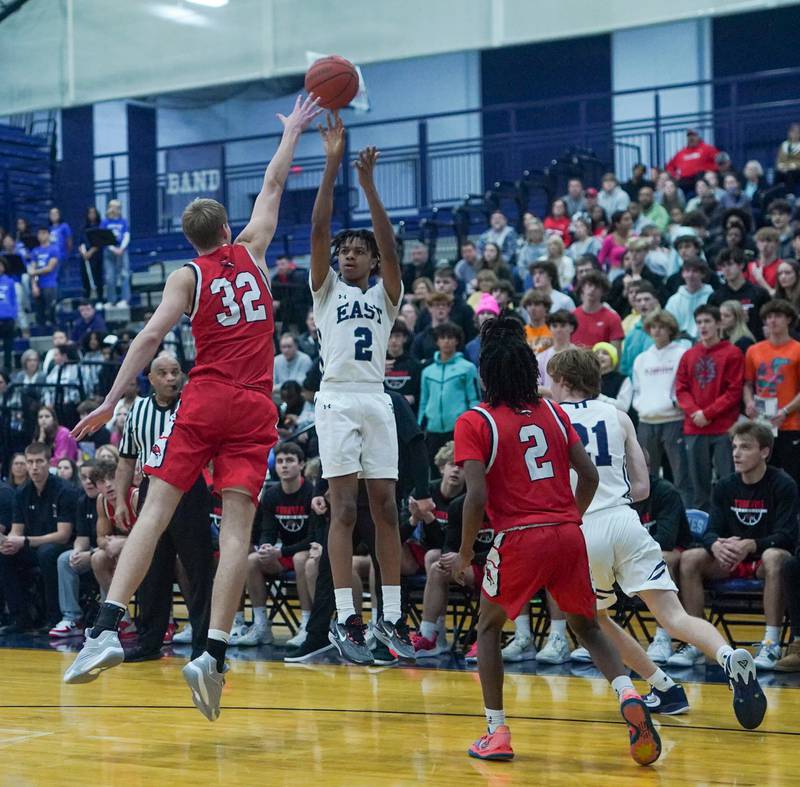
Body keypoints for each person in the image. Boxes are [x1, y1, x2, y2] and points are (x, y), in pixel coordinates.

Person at [62, 94, 322, 719]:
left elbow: (150, 339)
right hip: (256, 408)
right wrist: (291, 132)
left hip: (205, 399)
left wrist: (111, 400)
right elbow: (275, 180)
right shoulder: (255, 250)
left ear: (191, 238)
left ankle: (103, 630)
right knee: (234, 534)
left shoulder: (188, 276)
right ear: (227, 230)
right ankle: (214, 653)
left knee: (154, 512)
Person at [453, 317, 661, 766]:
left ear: (486, 373)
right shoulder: (552, 412)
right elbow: (587, 476)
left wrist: (466, 551)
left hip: (519, 537)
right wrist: (569, 518)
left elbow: (476, 497)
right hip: (569, 532)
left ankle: (497, 731)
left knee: (488, 629)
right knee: (586, 626)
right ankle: (628, 693)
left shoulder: (476, 420)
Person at [549, 349, 766, 729]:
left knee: (593, 622)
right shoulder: (619, 416)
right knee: (673, 615)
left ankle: (659, 684)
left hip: (582, 527)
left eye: (552, 379)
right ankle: (726, 658)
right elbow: (645, 484)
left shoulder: (552, 419)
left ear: (564, 381)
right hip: (625, 520)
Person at [309, 112, 415, 664]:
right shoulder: (325, 292)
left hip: (375, 398)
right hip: (336, 397)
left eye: (358, 250)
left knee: (387, 511)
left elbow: (392, 249)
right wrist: (332, 166)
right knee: (344, 511)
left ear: (372, 261)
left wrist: (370, 187)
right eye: (343, 250)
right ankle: (346, 616)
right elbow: (319, 230)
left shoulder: (383, 296)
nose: (347, 253)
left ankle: (391, 617)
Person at [116, 352, 213, 663]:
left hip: (190, 490)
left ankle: (203, 644)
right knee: (152, 569)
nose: (172, 378)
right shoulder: (138, 410)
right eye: (165, 373)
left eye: (176, 372)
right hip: (150, 488)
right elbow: (126, 460)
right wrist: (120, 498)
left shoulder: (194, 405)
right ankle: (149, 642)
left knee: (197, 569)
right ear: (151, 379)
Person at [677, 421, 797, 672]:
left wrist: (752, 545)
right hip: (730, 558)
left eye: (745, 447)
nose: (736, 453)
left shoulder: (783, 484)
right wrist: (715, 545)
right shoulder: (725, 485)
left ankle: (771, 643)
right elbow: (710, 531)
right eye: (734, 447)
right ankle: (697, 643)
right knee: (690, 558)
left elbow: (787, 535)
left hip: (763, 559)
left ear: (764, 452)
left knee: (776, 557)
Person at [236, 442, 316, 648]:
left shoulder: (311, 493)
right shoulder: (271, 495)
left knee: (300, 559)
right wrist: (265, 547)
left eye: (290, 461)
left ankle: (307, 624)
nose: (284, 466)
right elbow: (267, 531)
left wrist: (281, 551)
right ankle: (261, 625)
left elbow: (314, 536)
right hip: (284, 554)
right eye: (280, 461)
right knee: (252, 560)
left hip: (307, 552)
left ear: (301, 465)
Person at [0, 442, 77, 634]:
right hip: (33, 545)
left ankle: (53, 618)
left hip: (64, 546)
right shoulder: (22, 492)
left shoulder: (64, 490)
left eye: (39, 461)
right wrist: (9, 542)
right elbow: (16, 531)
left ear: (49, 463)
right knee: (4, 555)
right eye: (30, 462)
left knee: (47, 553)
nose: (34, 467)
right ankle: (20, 617)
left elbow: (63, 535)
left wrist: (24, 541)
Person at [675, 305, 743, 511]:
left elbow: (734, 391)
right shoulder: (689, 355)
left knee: (729, 480)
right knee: (698, 486)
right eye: (699, 322)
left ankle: (730, 522)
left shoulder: (732, 353)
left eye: (708, 321)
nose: (703, 326)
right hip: (694, 426)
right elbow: (681, 389)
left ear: (719, 324)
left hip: (723, 427)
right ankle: (702, 530)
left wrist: (707, 413)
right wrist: (695, 412)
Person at [632, 311, 692, 507]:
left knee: (681, 473)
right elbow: (637, 388)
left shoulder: (681, 353)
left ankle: (686, 513)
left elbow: (685, 385)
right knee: (647, 474)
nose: (656, 331)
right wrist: (641, 406)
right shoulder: (641, 359)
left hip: (674, 420)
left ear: (670, 329)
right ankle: (650, 513)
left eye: (661, 327)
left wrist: (674, 402)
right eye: (653, 327)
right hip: (647, 421)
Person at [743, 299, 800, 486]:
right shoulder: (754, 350)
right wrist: (749, 402)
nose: (772, 321)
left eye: (777, 316)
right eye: (768, 317)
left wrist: (785, 412)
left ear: (789, 319)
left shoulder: (797, 349)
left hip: (790, 423)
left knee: (793, 476)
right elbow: (748, 384)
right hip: (763, 423)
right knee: (763, 476)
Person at [49, 461, 100, 638]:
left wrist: (91, 554)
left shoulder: (109, 499)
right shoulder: (82, 501)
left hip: (108, 551)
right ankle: (72, 618)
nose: (88, 482)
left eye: (92, 477)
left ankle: (110, 620)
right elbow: (82, 537)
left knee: (100, 559)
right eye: (84, 477)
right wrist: (78, 551)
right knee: (65, 558)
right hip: (91, 550)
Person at [418, 322, 481, 460]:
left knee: (458, 469)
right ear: (437, 341)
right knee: (433, 474)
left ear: (457, 341)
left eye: (450, 337)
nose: (446, 341)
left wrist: (472, 426)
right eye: (442, 337)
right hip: (432, 430)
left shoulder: (468, 368)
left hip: (457, 429)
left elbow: (474, 399)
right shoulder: (427, 371)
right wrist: (420, 427)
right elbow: (423, 402)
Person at [709, 249, 770, 341]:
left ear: (741, 265)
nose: (726, 269)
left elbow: (768, 320)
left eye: (730, 264)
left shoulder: (759, 293)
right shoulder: (716, 297)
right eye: (723, 266)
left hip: (755, 343)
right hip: (725, 345)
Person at [571, 271, 624, 350]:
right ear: (582, 288)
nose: (592, 289)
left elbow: (615, 355)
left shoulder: (613, 318)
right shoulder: (571, 316)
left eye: (597, 286)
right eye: (589, 285)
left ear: (603, 291)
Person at [664, 259, 713, 340]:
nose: (690, 275)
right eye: (687, 271)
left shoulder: (711, 297)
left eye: (695, 271)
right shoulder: (674, 300)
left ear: (703, 274)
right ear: (683, 274)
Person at [100, 200, 131, 308]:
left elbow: (127, 235)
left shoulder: (123, 221)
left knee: (124, 275)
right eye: (112, 207)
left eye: (117, 207)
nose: (114, 209)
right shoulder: (105, 222)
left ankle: (125, 299)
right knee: (110, 277)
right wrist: (113, 248)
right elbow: (103, 237)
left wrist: (121, 248)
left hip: (122, 251)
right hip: (109, 251)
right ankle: (111, 300)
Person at [27, 226, 59, 324]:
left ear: (49, 235)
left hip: (50, 284)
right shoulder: (35, 251)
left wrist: (34, 272)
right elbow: (32, 268)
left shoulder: (54, 249)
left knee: (51, 311)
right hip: (38, 285)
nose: (41, 236)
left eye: (44, 233)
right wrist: (34, 285)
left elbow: (49, 268)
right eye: (39, 233)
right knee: (39, 313)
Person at [271, 254, 312, 332]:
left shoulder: (299, 277)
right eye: (278, 265)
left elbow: (298, 299)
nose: (279, 267)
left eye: (282, 264)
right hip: (284, 315)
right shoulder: (275, 279)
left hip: (300, 314)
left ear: (290, 264)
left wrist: (280, 304)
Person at [746, 227, 783, 295]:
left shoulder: (782, 266)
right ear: (757, 244)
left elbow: (779, 295)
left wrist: (760, 280)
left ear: (777, 244)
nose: (765, 244)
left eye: (769, 241)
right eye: (762, 241)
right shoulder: (749, 266)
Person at [77, 206, 103, 301]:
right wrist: (83, 253)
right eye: (90, 213)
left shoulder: (100, 226)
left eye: (93, 213)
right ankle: (86, 299)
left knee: (98, 278)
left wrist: (91, 252)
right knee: (85, 278)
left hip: (96, 256)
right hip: (85, 257)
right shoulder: (83, 228)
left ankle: (100, 299)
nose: (92, 215)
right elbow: (80, 242)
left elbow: (100, 242)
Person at [0, 256, 18, 371]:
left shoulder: (10, 281)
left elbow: (14, 300)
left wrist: (13, 315)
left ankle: (7, 369)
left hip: (8, 319)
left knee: (8, 346)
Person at [776, 122, 800, 195]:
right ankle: (776, 196)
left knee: (790, 174)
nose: (795, 134)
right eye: (793, 132)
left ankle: (790, 194)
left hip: (797, 170)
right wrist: (780, 166)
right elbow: (779, 160)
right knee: (777, 174)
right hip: (785, 169)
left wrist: (792, 166)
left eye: (797, 132)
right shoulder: (784, 145)